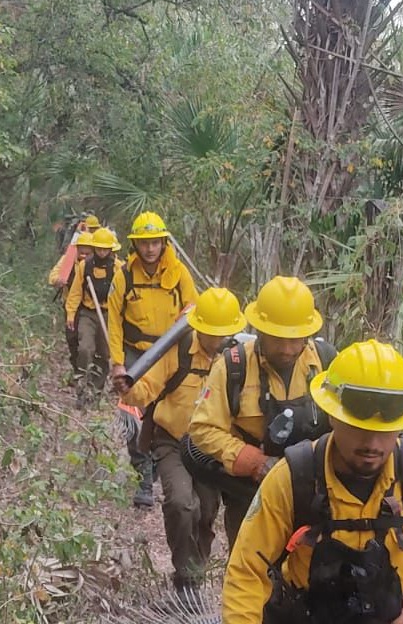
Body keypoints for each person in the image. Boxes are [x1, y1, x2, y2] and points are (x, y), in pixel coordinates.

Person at [221, 340, 403, 624]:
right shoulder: (293, 478)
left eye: (385, 432)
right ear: (332, 416)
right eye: (359, 429)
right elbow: (247, 572)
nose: (372, 444)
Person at [186, 275, 335, 549]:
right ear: (261, 330)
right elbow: (202, 428)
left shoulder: (325, 364)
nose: (289, 349)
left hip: (312, 496)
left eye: (296, 339)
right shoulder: (234, 367)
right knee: (250, 570)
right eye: (279, 339)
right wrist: (255, 462)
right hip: (250, 496)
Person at [119, 287, 247, 595]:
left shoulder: (237, 360)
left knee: (205, 511)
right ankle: (186, 577)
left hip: (212, 449)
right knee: (180, 504)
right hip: (173, 441)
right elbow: (147, 387)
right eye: (209, 333)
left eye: (222, 334)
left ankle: (194, 571)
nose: (215, 340)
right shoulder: (178, 349)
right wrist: (128, 388)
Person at [107, 211, 198, 507]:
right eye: (144, 243)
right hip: (136, 354)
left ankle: (162, 460)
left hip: (171, 351)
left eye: (155, 243)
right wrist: (118, 363)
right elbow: (114, 321)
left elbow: (194, 307)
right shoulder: (124, 276)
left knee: (164, 413)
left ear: (163, 242)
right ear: (135, 245)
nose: (150, 249)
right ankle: (143, 477)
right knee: (133, 413)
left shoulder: (179, 272)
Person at [65, 227, 123, 407]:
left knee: (105, 354)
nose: (102, 252)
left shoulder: (119, 268)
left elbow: (124, 295)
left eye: (106, 249)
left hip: (109, 315)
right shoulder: (85, 266)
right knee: (85, 349)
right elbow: (75, 293)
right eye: (99, 248)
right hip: (88, 314)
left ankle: (96, 392)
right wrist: (71, 313)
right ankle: (82, 389)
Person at [49, 230, 94, 379]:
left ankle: (87, 371)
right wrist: (59, 280)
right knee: (72, 338)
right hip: (70, 305)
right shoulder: (67, 261)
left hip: (88, 308)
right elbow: (53, 276)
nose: (84, 256)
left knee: (86, 342)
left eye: (88, 253)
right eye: (82, 252)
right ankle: (77, 368)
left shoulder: (96, 265)